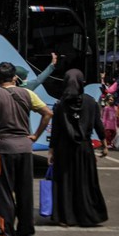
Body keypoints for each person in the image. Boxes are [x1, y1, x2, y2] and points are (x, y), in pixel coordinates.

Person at [0, 62, 52, 236]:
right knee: (24, 192)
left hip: (3, 150)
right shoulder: (28, 93)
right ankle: (25, 232)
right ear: (15, 78)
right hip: (25, 149)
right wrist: (35, 136)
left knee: (3, 193)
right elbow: (48, 113)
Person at [48, 69, 108, 227]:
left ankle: (65, 216)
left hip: (64, 148)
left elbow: (56, 129)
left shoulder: (60, 104)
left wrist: (51, 150)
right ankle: (87, 215)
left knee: (65, 182)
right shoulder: (90, 102)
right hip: (84, 148)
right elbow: (98, 124)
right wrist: (104, 143)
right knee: (85, 182)